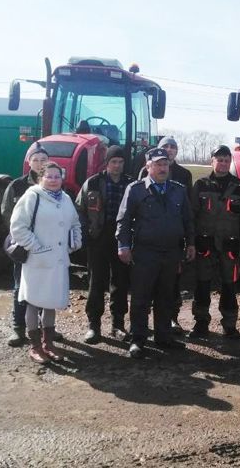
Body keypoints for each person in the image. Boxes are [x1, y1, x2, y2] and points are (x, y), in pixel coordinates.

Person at [117, 148, 196, 359]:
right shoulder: (135, 190)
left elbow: (188, 220)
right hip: (145, 252)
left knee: (165, 296)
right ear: (148, 166)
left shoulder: (178, 190)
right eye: (158, 164)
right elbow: (123, 221)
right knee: (141, 297)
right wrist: (123, 246)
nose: (162, 168)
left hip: (171, 252)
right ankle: (138, 339)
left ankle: (163, 336)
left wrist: (191, 244)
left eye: (165, 164)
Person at [9, 162, 82, 364]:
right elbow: (17, 227)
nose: (53, 180)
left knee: (50, 303)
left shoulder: (66, 199)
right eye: (48, 176)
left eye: (56, 176)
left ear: (62, 178)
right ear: (40, 178)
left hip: (58, 261)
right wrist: (36, 246)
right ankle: (35, 347)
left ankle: (48, 344)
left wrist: (75, 241)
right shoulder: (32, 197)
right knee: (33, 302)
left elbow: (75, 223)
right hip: (36, 261)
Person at [188, 145, 240, 339]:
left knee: (229, 286)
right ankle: (200, 323)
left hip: (230, 246)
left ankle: (229, 325)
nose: (223, 163)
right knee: (202, 284)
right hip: (205, 244)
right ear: (211, 161)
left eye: (226, 160)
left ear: (230, 162)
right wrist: (191, 241)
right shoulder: (201, 185)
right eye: (219, 160)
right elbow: (191, 216)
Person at [75, 145, 134, 344]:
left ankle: (118, 325)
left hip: (122, 239)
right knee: (96, 282)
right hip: (98, 238)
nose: (117, 166)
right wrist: (85, 234)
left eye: (120, 162)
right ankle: (94, 325)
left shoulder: (131, 184)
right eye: (113, 162)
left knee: (120, 282)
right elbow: (80, 210)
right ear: (106, 163)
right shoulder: (92, 183)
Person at [139, 135, 193, 334]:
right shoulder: (142, 176)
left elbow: (188, 211)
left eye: (172, 147)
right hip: (148, 241)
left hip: (173, 240)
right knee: (146, 286)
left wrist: (189, 239)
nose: (169, 149)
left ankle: (171, 320)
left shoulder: (183, 175)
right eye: (166, 146)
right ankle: (142, 329)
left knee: (171, 284)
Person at [1, 143, 49, 347]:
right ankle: (19, 329)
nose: (39, 164)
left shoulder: (53, 184)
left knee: (46, 287)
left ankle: (45, 329)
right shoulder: (17, 186)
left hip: (46, 247)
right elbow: (7, 214)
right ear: (29, 162)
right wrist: (24, 237)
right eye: (35, 160)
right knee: (21, 287)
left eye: (43, 160)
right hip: (24, 246)